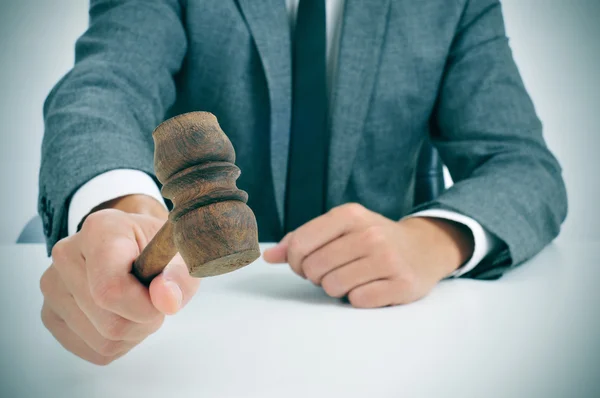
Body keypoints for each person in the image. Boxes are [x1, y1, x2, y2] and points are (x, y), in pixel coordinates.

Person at [38, 0, 567, 365]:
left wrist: (432, 240)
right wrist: (120, 207)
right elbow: (101, 91)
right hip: (201, 328)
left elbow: (523, 164)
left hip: (383, 339)